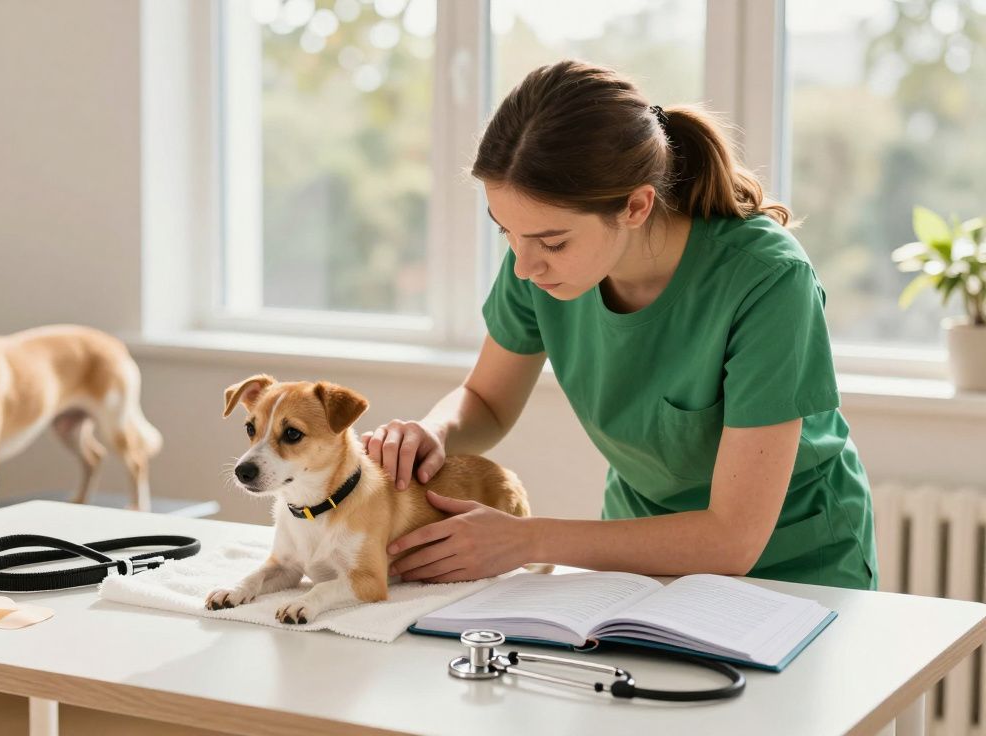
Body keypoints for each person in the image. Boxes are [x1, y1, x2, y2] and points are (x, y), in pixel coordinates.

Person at [364, 60, 877, 591]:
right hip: (636, 556)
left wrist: (524, 538)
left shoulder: (767, 280)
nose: (524, 266)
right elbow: (487, 402)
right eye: (507, 234)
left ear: (635, 206)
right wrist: (436, 429)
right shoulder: (538, 259)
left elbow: (732, 539)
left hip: (796, 567)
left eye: (553, 241)